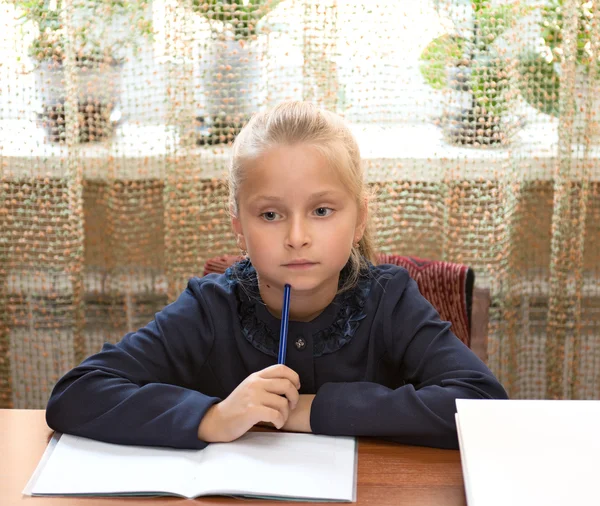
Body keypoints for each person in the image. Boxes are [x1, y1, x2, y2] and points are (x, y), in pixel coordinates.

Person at [46, 101, 508, 450]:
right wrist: (213, 417)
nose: (297, 236)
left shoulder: (391, 300)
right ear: (239, 229)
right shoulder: (211, 307)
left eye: (322, 210)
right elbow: (76, 395)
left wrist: (313, 409)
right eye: (270, 215)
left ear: (359, 219)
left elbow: (482, 406)